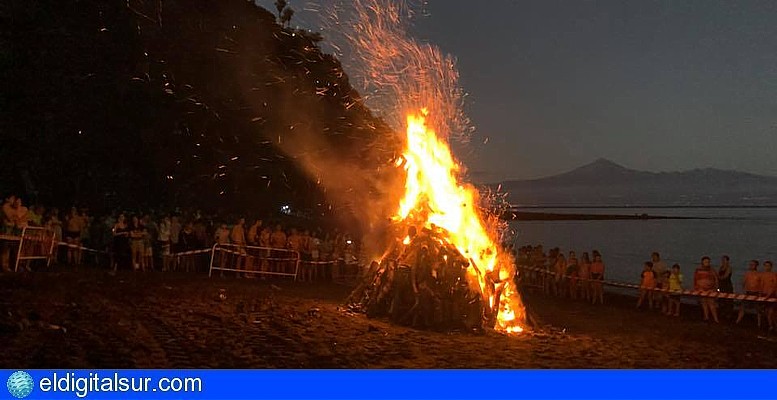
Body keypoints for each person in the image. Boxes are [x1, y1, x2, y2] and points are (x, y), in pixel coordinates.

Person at [694, 256, 719, 323]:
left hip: (710, 289)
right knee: (704, 303)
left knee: (711, 303)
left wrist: (716, 289)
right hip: (701, 289)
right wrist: (696, 287)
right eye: (705, 262)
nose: (707, 263)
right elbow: (695, 279)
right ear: (702, 262)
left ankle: (715, 319)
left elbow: (716, 279)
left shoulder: (712, 270)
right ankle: (706, 317)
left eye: (708, 262)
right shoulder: (698, 270)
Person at [736, 260, 763, 326]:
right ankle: (737, 321)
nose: (751, 266)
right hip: (748, 292)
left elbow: (761, 284)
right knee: (742, 307)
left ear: (756, 266)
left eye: (752, 265)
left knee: (758, 309)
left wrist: (760, 293)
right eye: (750, 265)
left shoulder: (759, 274)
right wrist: (742, 291)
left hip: (756, 293)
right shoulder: (747, 273)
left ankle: (759, 324)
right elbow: (743, 283)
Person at [760, 261, 777, 331]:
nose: (767, 267)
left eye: (768, 266)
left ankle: (773, 326)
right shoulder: (763, 275)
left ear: (771, 267)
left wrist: (769, 294)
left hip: (772, 295)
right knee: (767, 312)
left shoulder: (773, 274)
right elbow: (761, 285)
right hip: (764, 294)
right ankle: (771, 326)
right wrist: (760, 294)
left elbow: (774, 285)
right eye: (765, 266)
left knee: (771, 312)